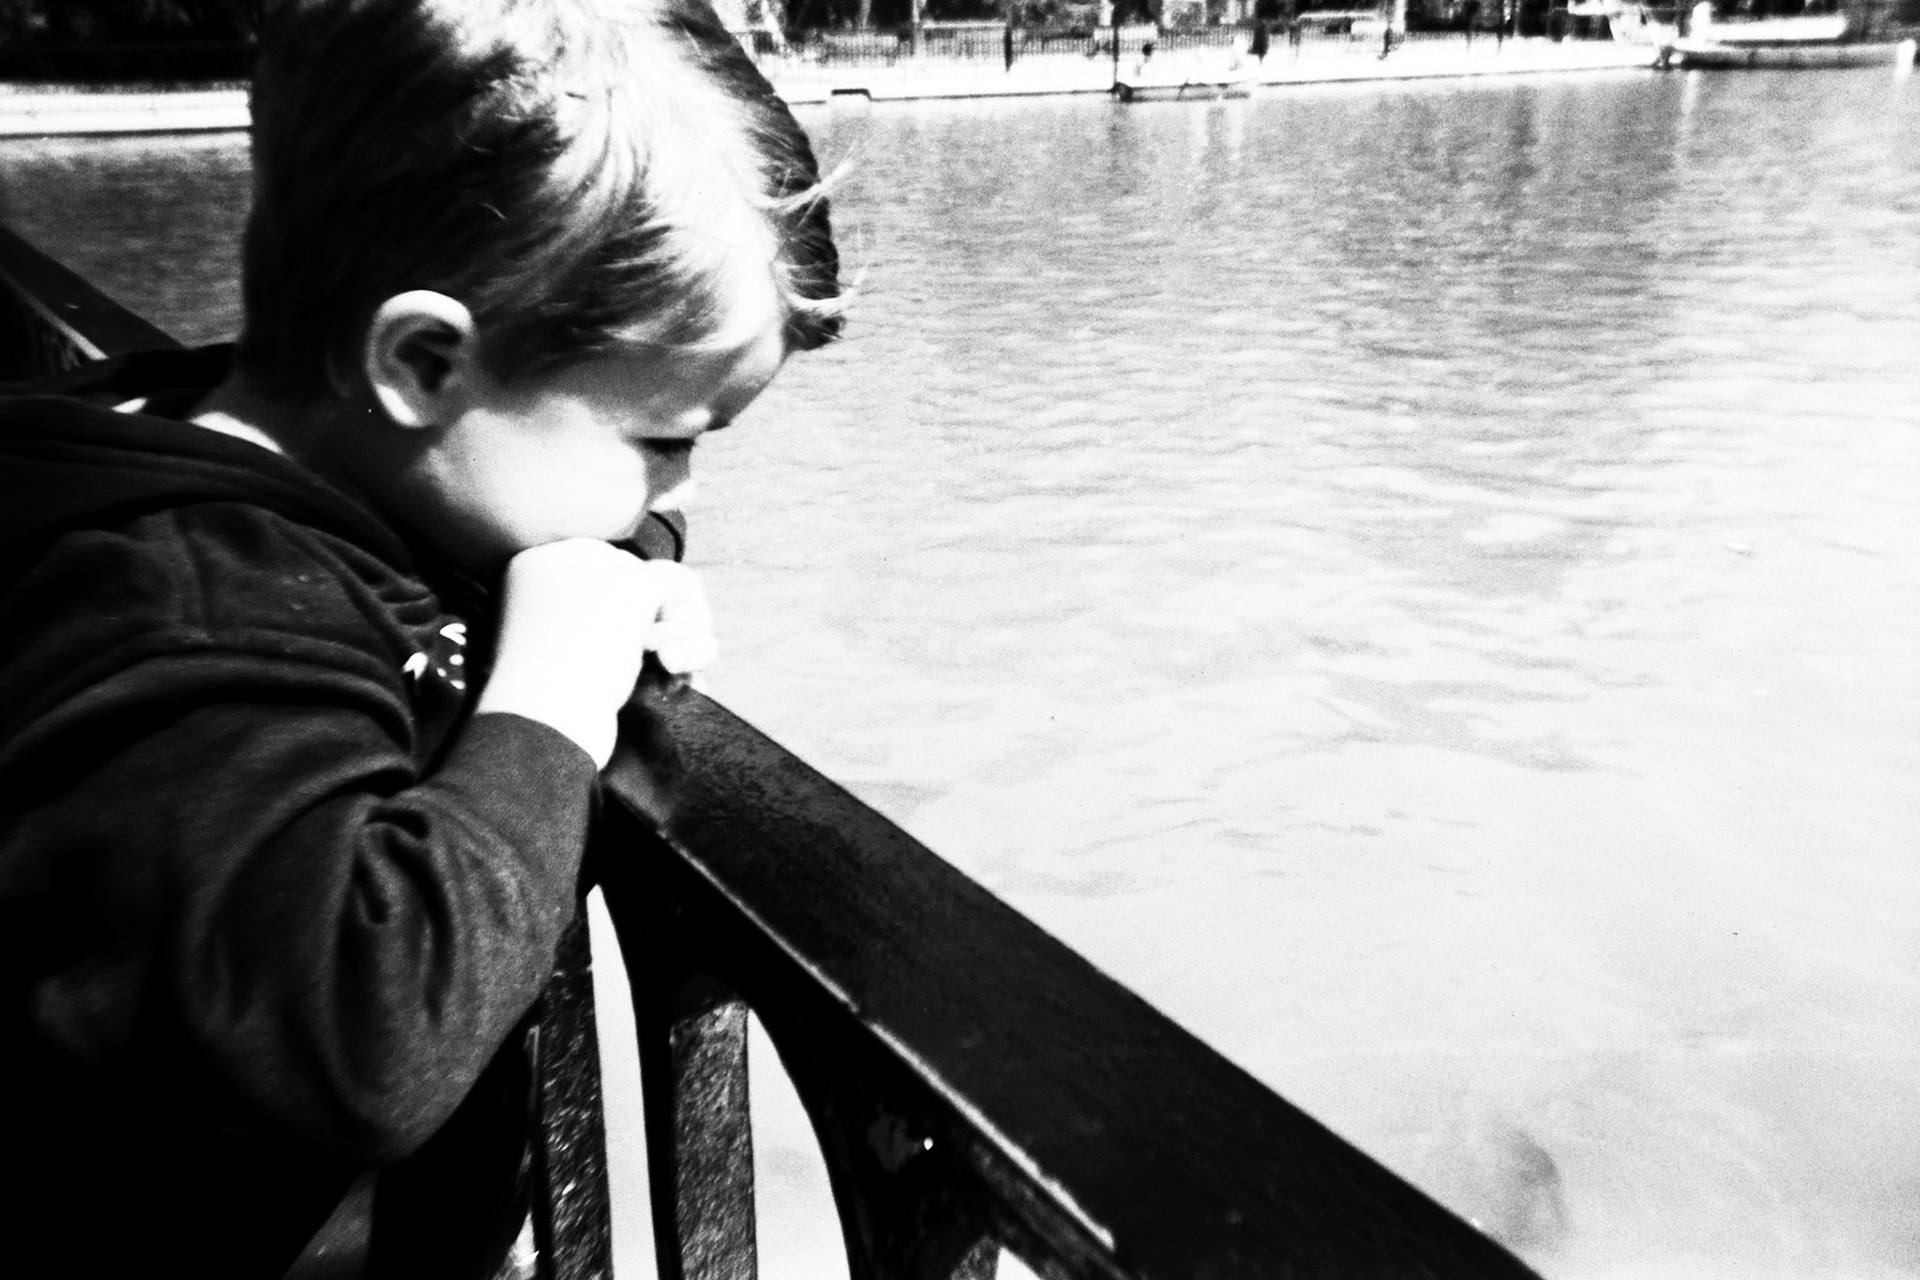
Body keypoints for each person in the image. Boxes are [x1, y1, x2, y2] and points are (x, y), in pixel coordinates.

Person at [0, 0, 842, 1277]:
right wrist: (550, 692)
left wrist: (619, 572)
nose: (678, 495)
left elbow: (550, 496)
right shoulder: (185, 615)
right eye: (665, 439)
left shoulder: (331, 482)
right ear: (423, 364)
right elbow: (362, 1033)